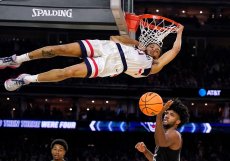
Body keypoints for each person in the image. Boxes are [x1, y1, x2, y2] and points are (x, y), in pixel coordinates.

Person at [0, 25, 184, 91]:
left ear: (158, 55)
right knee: (60, 48)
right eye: (152, 45)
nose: (154, 49)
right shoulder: (136, 46)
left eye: (157, 49)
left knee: (69, 72)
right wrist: (136, 43)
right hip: (107, 46)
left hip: (111, 65)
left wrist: (180, 32)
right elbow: (115, 39)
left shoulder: (154, 65)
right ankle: (17, 59)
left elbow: (174, 51)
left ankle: (26, 79)